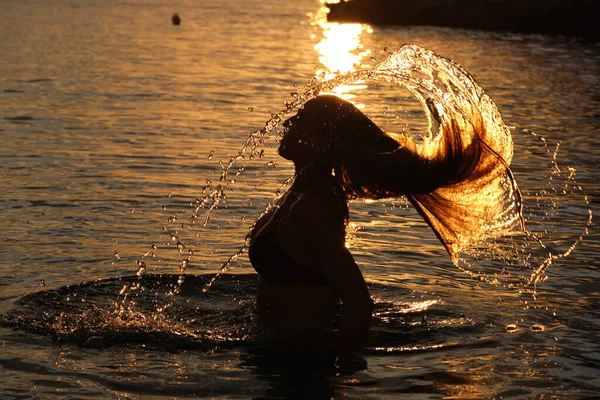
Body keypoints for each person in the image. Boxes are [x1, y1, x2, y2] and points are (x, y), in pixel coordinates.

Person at [247, 94, 493, 356]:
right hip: (277, 355)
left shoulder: (313, 205)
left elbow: (359, 303)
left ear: (324, 141)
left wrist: (341, 364)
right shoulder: (299, 194)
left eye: (301, 119)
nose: (287, 123)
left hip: (302, 366)